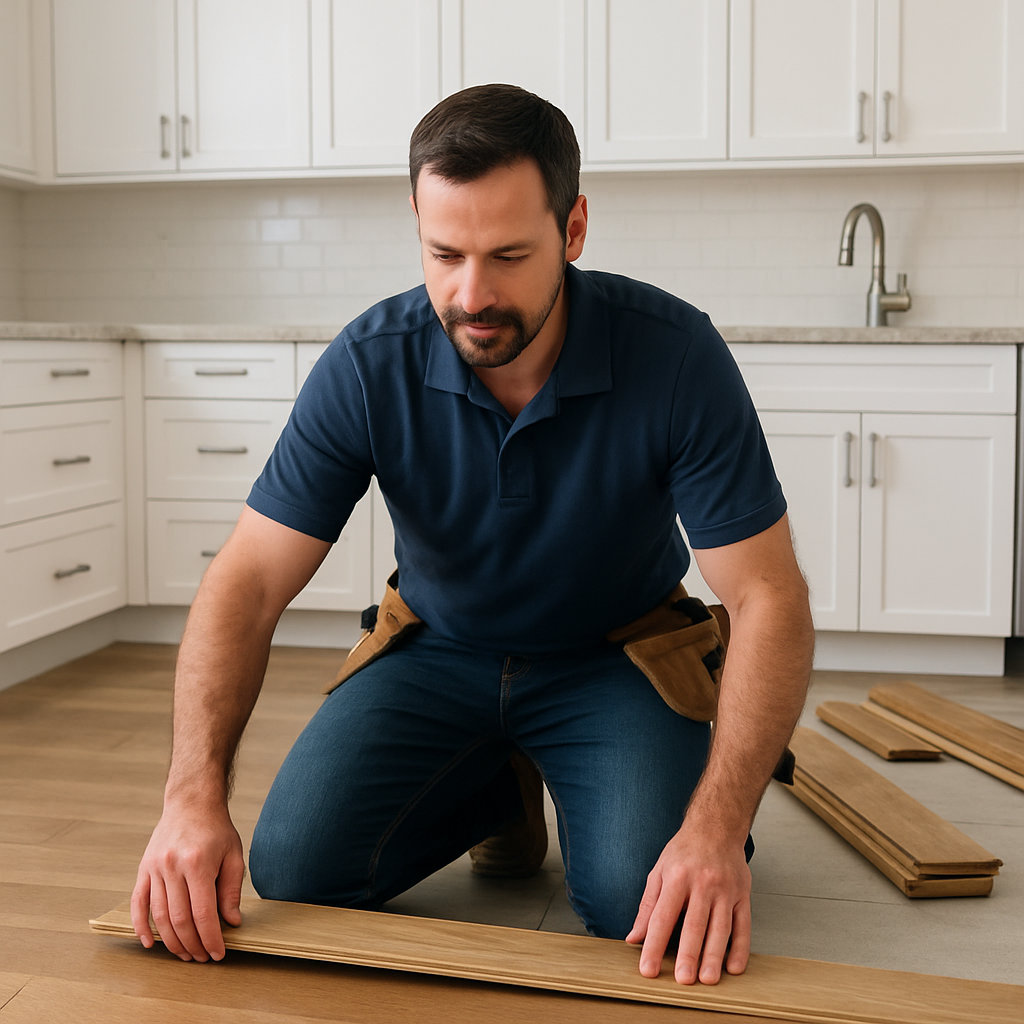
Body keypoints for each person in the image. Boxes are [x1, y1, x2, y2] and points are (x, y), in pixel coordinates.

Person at [131, 83, 813, 987]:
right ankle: (502, 788)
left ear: (572, 232)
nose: (471, 293)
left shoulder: (675, 352)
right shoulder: (369, 362)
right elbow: (249, 580)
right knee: (297, 872)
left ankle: (571, 777)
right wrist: (189, 801)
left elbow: (769, 597)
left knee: (634, 908)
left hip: (616, 655)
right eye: (443, 253)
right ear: (416, 220)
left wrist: (716, 831)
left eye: (508, 255)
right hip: (437, 651)